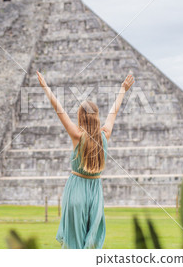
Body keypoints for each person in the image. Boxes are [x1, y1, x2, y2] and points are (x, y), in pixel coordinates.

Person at [36, 71, 135, 249]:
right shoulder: (105, 134)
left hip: (76, 188)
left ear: (81, 117)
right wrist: (123, 89)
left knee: (74, 242)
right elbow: (114, 111)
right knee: (91, 242)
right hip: (95, 192)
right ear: (96, 117)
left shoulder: (76, 135)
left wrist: (46, 87)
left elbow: (59, 110)